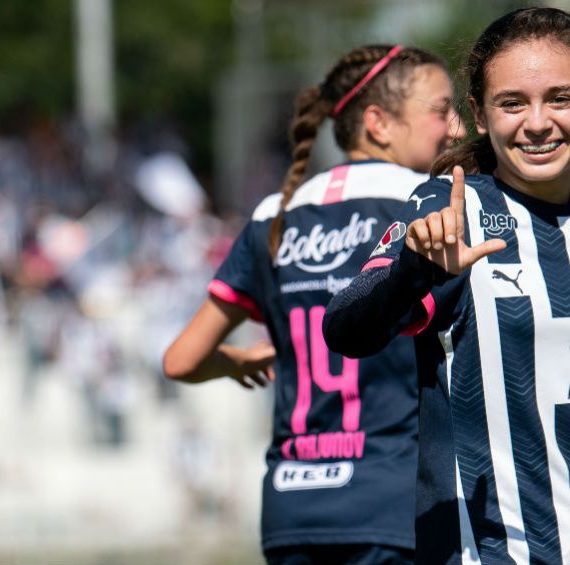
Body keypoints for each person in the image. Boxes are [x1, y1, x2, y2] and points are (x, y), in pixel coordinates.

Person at [323, 8, 570, 565]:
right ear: (479, 115)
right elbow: (345, 329)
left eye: (559, 98)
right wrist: (414, 266)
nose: (537, 122)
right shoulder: (448, 208)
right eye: (512, 103)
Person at [162, 44, 464, 564]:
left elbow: (181, 360)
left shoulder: (271, 216)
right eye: (441, 110)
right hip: (393, 504)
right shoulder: (429, 211)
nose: (457, 128)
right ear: (379, 123)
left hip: (292, 509)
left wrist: (236, 361)